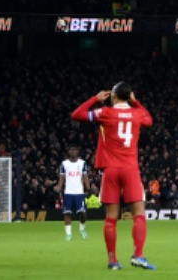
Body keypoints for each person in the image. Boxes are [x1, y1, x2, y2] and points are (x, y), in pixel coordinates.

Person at [71, 83, 157, 270]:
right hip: (130, 169)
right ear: (130, 96)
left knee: (111, 218)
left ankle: (113, 261)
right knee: (139, 215)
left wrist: (95, 98)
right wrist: (136, 102)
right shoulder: (137, 114)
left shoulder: (105, 112)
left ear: (113, 96)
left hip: (110, 170)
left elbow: (77, 114)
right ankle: (139, 256)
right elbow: (149, 120)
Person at [55, 146, 90, 241]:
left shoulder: (82, 163)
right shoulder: (64, 164)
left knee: (82, 213)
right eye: (71, 149)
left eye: (75, 149)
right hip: (68, 193)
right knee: (67, 213)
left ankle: (82, 229)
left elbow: (85, 176)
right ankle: (68, 234)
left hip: (79, 192)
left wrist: (88, 188)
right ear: (69, 151)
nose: (73, 151)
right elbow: (62, 178)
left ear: (78, 151)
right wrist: (58, 187)